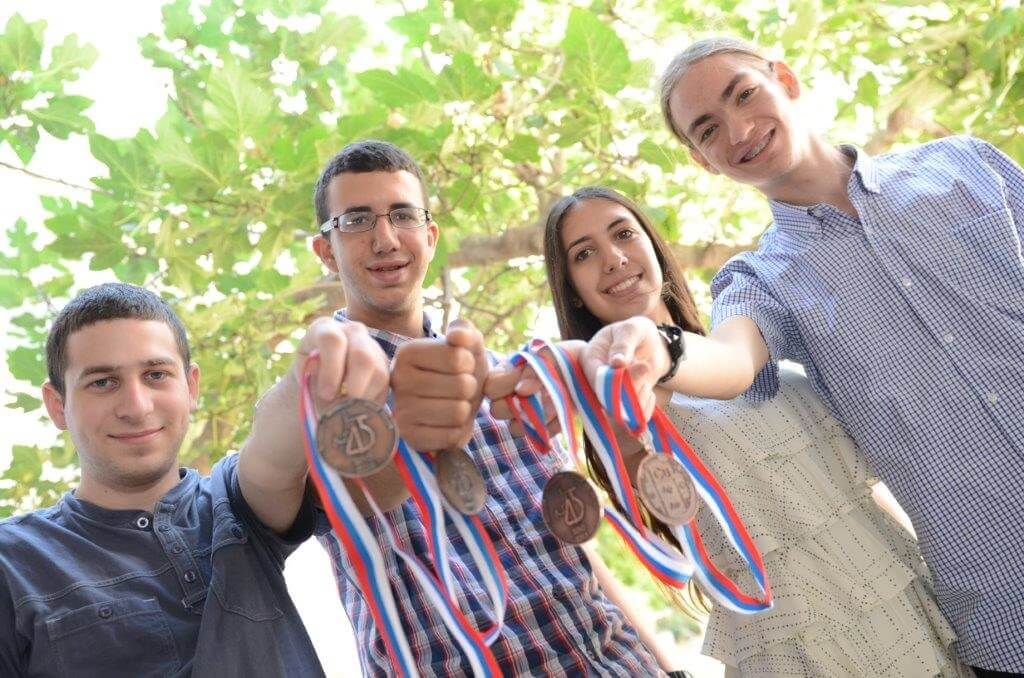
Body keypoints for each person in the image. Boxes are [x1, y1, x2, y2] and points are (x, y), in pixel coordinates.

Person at [616, 36, 1023, 676]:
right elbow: (730, 362)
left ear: (786, 78)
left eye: (743, 94)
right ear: (703, 162)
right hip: (1006, 614)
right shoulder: (760, 281)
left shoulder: (964, 165)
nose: (740, 129)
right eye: (708, 129)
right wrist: (658, 347)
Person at [239, 139, 678, 676]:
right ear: (325, 251)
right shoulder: (312, 404)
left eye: (402, 215)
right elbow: (293, 497)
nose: (385, 238)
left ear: (429, 236)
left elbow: (578, 554)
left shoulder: (508, 378)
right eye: (356, 220)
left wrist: (665, 665)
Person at [494, 185, 966, 676]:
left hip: (898, 591)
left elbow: (856, 493)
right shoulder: (618, 400)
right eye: (585, 253)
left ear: (652, 245)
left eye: (624, 234)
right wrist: (576, 366)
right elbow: (610, 407)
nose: (613, 259)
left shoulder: (741, 333)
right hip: (794, 642)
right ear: (571, 285)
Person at [0, 282, 374, 677]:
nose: (136, 406)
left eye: (156, 374)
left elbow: (271, 458)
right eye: (103, 382)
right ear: (57, 406)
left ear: (191, 386)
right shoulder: (13, 560)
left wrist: (306, 377)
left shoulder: (233, 503)